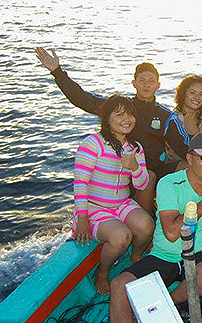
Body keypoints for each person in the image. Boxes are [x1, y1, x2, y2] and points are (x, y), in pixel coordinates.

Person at [109, 132, 202, 323]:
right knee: (119, 285)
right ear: (190, 159)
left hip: (197, 253)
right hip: (164, 255)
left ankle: (166, 303)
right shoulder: (169, 183)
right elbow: (172, 233)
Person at [34, 47, 172, 214]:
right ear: (134, 83)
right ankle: (142, 228)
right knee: (148, 177)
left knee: (179, 167)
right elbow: (84, 100)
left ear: (158, 85)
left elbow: (181, 142)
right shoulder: (119, 107)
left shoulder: (166, 115)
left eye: (151, 80)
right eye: (141, 80)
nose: (146, 85)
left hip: (152, 168)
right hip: (123, 169)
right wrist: (57, 72)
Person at [73, 95, 154, 295]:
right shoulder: (94, 143)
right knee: (121, 237)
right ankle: (102, 272)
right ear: (107, 119)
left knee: (146, 226)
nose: (126, 119)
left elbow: (142, 183)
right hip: (94, 206)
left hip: (121, 203)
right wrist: (82, 216)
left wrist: (134, 166)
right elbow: (80, 182)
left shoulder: (135, 147)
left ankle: (135, 255)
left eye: (130, 114)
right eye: (119, 115)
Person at [164, 75, 202, 161]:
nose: (197, 97)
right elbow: (180, 152)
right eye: (192, 93)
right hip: (180, 164)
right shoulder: (173, 120)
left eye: (201, 94)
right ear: (183, 94)